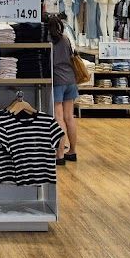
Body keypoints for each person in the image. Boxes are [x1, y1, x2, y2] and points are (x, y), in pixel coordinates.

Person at [48, 15, 79, 165]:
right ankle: (72, 151)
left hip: (57, 81)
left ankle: (59, 154)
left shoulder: (48, 42)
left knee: (58, 118)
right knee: (69, 117)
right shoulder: (65, 39)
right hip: (71, 80)